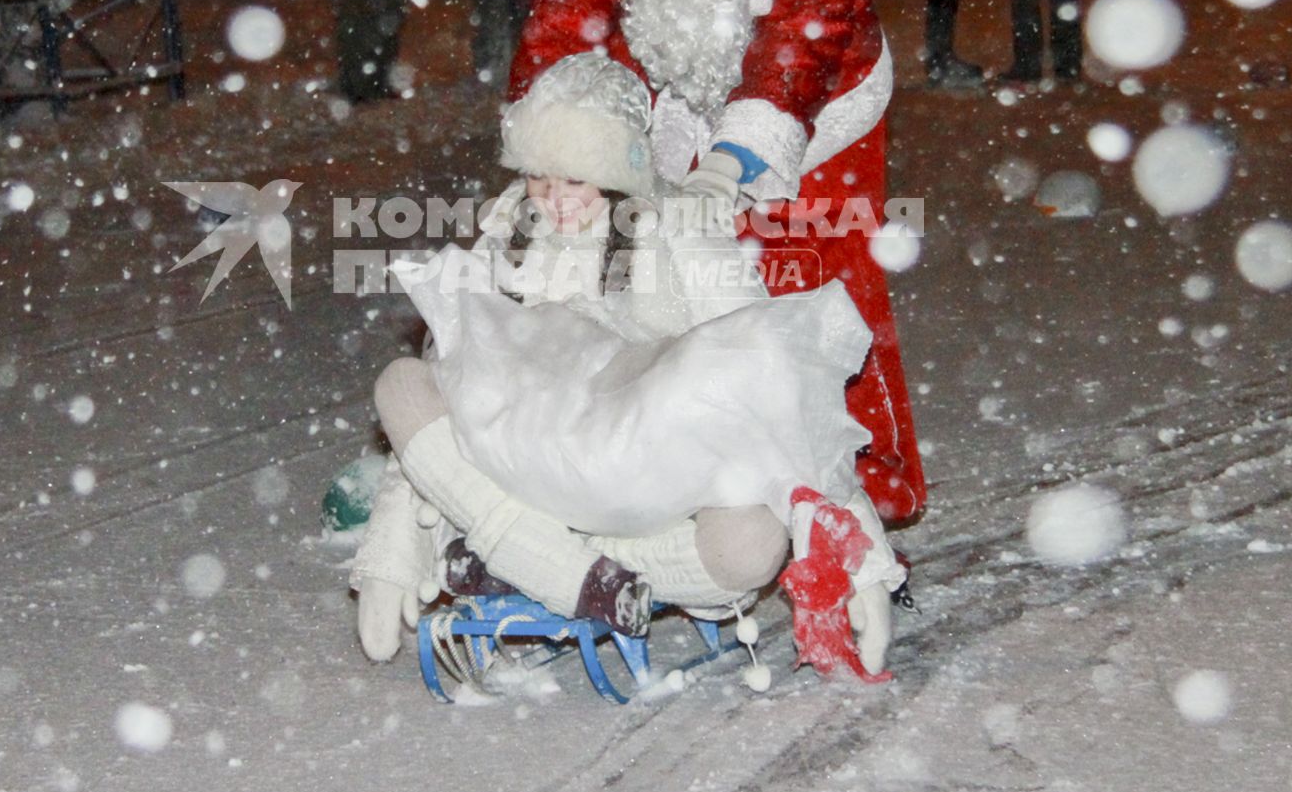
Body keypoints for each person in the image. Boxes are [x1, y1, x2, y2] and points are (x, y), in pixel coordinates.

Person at [350, 53, 905, 680]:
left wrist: (859, 552)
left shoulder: (680, 228)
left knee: (751, 543)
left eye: (576, 179)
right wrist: (395, 545)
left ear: (620, 171)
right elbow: (452, 369)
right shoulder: (512, 223)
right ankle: (567, 570)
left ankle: (530, 557)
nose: (552, 200)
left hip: (642, 477)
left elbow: (773, 377)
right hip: (519, 459)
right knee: (404, 384)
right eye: (538, 176)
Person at [507, 0, 926, 526]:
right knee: (647, 264)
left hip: (826, 105)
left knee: (816, 279)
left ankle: (858, 477)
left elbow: (804, 38)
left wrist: (734, 165)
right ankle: (674, 453)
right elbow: (562, 28)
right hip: (674, 92)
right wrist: (558, 158)